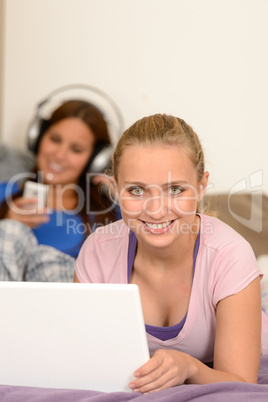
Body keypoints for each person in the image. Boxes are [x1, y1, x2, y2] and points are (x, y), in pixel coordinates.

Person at [74, 114, 262, 393]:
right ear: (115, 190)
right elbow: (81, 358)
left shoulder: (229, 255)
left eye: (175, 189)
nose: (156, 210)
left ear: (200, 187)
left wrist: (190, 367)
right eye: (136, 190)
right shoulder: (98, 251)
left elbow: (242, 383)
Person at [0, 100, 120, 281]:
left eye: (76, 149)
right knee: (10, 231)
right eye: (55, 140)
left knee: (48, 260)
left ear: (95, 160)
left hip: (67, 303)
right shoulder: (4, 195)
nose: (60, 155)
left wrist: (127, 197)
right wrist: (6, 222)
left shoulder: (110, 214)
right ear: (38, 138)